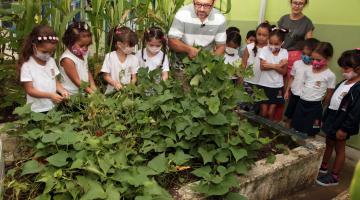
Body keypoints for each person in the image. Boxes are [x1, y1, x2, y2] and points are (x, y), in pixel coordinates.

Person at [316, 49, 360, 186]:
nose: (343, 71)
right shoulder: (343, 83)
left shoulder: (358, 88)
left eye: (346, 68)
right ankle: (323, 166)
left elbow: (356, 112)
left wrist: (344, 128)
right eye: (342, 67)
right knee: (329, 142)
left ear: (358, 69)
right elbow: (333, 102)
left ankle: (334, 176)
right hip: (332, 118)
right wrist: (325, 118)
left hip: (342, 123)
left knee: (340, 148)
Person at [275, 0, 315, 121]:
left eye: (301, 3)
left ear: (305, 5)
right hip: (280, 54)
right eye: (295, 2)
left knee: (290, 89)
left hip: (296, 57)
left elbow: (309, 44)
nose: (297, 5)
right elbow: (276, 36)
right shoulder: (283, 19)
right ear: (290, 2)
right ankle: (274, 119)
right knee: (277, 86)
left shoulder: (307, 22)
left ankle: (286, 119)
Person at [18, 25, 69, 113]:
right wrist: (50, 95)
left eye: (51, 51)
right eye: (44, 52)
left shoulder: (51, 61)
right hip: (36, 110)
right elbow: (30, 90)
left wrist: (63, 91)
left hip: (52, 107)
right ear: (34, 46)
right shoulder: (27, 65)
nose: (48, 54)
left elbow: (55, 81)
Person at [292, 42, 336, 136]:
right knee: (296, 127)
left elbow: (329, 94)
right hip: (301, 103)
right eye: (313, 59)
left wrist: (321, 106)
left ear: (328, 59)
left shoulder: (330, 75)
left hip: (315, 107)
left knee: (311, 131)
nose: (315, 62)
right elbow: (304, 85)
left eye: (318, 60)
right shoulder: (308, 70)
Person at [284, 38, 320, 128]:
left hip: (305, 98)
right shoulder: (297, 63)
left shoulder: (315, 68)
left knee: (299, 120)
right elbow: (292, 77)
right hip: (294, 94)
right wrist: (287, 91)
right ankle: (286, 135)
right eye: (303, 53)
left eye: (308, 55)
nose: (305, 56)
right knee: (289, 117)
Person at [257, 27, 289, 120]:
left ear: (282, 43)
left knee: (270, 113)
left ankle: (268, 132)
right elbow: (262, 67)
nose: (273, 46)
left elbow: (283, 72)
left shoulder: (284, 52)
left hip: (277, 86)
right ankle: (260, 130)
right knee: (263, 112)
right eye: (271, 43)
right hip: (264, 84)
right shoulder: (264, 50)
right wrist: (277, 65)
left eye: (276, 44)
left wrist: (270, 65)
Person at [60, 21, 96, 95]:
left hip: (83, 92)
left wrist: (92, 84)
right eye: (81, 45)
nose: (85, 48)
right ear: (70, 42)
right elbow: (77, 81)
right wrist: (92, 93)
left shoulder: (83, 54)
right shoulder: (67, 59)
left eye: (87, 45)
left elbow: (86, 70)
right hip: (72, 96)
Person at [101, 26, 139, 94]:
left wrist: (130, 86)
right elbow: (106, 76)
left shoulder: (134, 59)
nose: (132, 48)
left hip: (127, 93)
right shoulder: (110, 57)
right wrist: (114, 83)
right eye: (130, 46)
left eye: (133, 46)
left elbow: (134, 78)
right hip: (111, 93)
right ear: (119, 44)